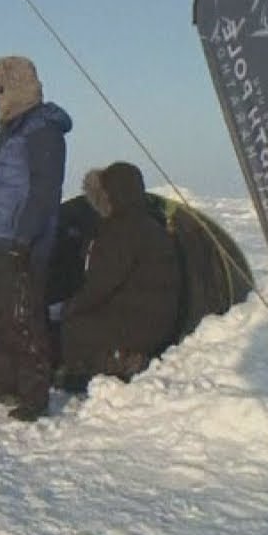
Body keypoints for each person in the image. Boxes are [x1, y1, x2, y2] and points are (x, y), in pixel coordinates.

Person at [0, 56, 73, 422]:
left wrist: (25, 237)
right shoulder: (14, 129)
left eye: (0, 90)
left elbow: (43, 190)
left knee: (24, 318)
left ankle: (35, 394)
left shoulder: (42, 129)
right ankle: (4, 382)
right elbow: (10, 180)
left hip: (24, 242)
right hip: (0, 237)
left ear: (18, 87)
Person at [57, 162, 181, 390]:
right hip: (159, 318)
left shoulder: (121, 230)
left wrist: (71, 307)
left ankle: (108, 367)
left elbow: (102, 283)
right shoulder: (150, 224)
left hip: (138, 320)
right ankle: (121, 358)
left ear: (110, 195)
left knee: (73, 327)